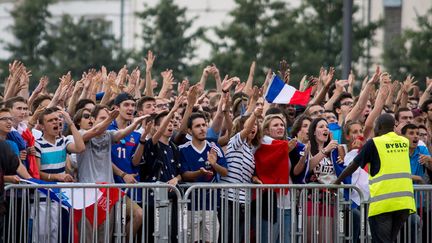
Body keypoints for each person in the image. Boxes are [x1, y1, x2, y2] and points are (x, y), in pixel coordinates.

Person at [335, 113, 416, 243]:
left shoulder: (375, 143)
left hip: (383, 203)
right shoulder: (404, 142)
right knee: (391, 240)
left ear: (379, 126)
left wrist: (336, 182)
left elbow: (353, 166)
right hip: (404, 203)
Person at [179, 112, 228, 243]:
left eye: (204, 125)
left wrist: (214, 164)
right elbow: (184, 175)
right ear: (189, 130)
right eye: (197, 126)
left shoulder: (214, 147)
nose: (202, 129)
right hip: (190, 206)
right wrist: (199, 173)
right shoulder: (182, 149)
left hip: (210, 205)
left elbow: (224, 172)